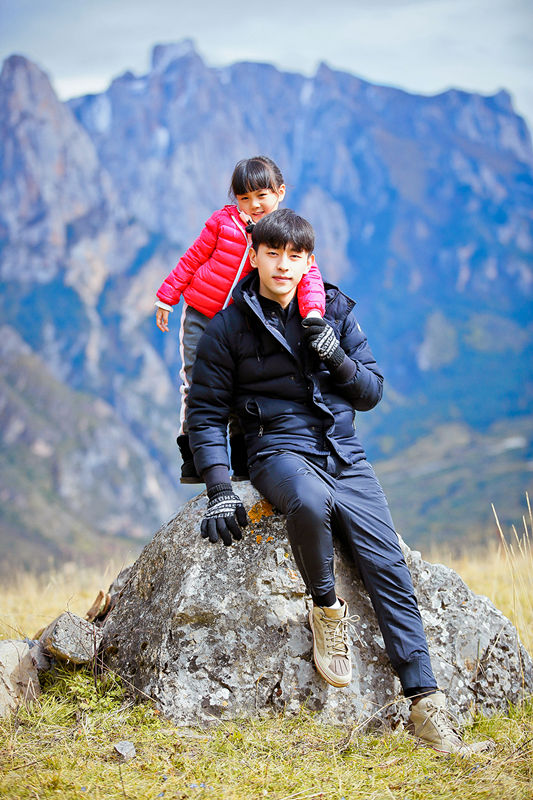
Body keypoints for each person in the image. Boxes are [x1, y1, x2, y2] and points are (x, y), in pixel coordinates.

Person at [187, 208, 493, 755]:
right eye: (272, 253)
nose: (283, 265)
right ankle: (327, 608)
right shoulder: (227, 327)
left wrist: (335, 354)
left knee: (388, 566)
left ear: (309, 259)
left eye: (295, 255)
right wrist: (219, 489)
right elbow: (205, 414)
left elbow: (371, 391)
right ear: (253, 256)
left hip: (343, 453)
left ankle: (427, 705)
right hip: (276, 449)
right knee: (308, 503)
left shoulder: (333, 310)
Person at [154, 156, 325, 483]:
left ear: (280, 192)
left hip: (239, 324)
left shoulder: (281, 233)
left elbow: (309, 275)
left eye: (261, 195)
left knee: (239, 388)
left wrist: (314, 312)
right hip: (201, 314)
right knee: (196, 382)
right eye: (244, 197)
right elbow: (193, 258)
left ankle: (242, 461)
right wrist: (167, 296)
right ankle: (194, 458)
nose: (254, 205)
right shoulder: (222, 222)